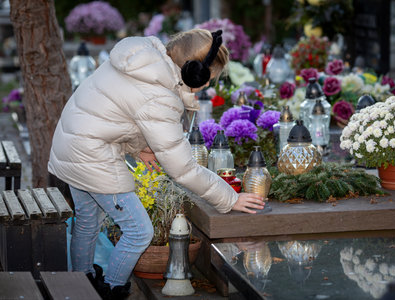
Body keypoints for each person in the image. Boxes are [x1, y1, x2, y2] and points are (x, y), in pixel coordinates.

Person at [47, 28, 265, 299]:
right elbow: (182, 168)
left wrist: (139, 149)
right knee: (139, 231)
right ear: (192, 72)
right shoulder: (159, 95)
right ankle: (113, 290)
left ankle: (81, 284)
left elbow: (113, 115)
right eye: (208, 78)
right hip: (92, 156)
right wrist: (229, 198)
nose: (208, 84)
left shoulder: (143, 62)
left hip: (72, 145)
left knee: (88, 222)